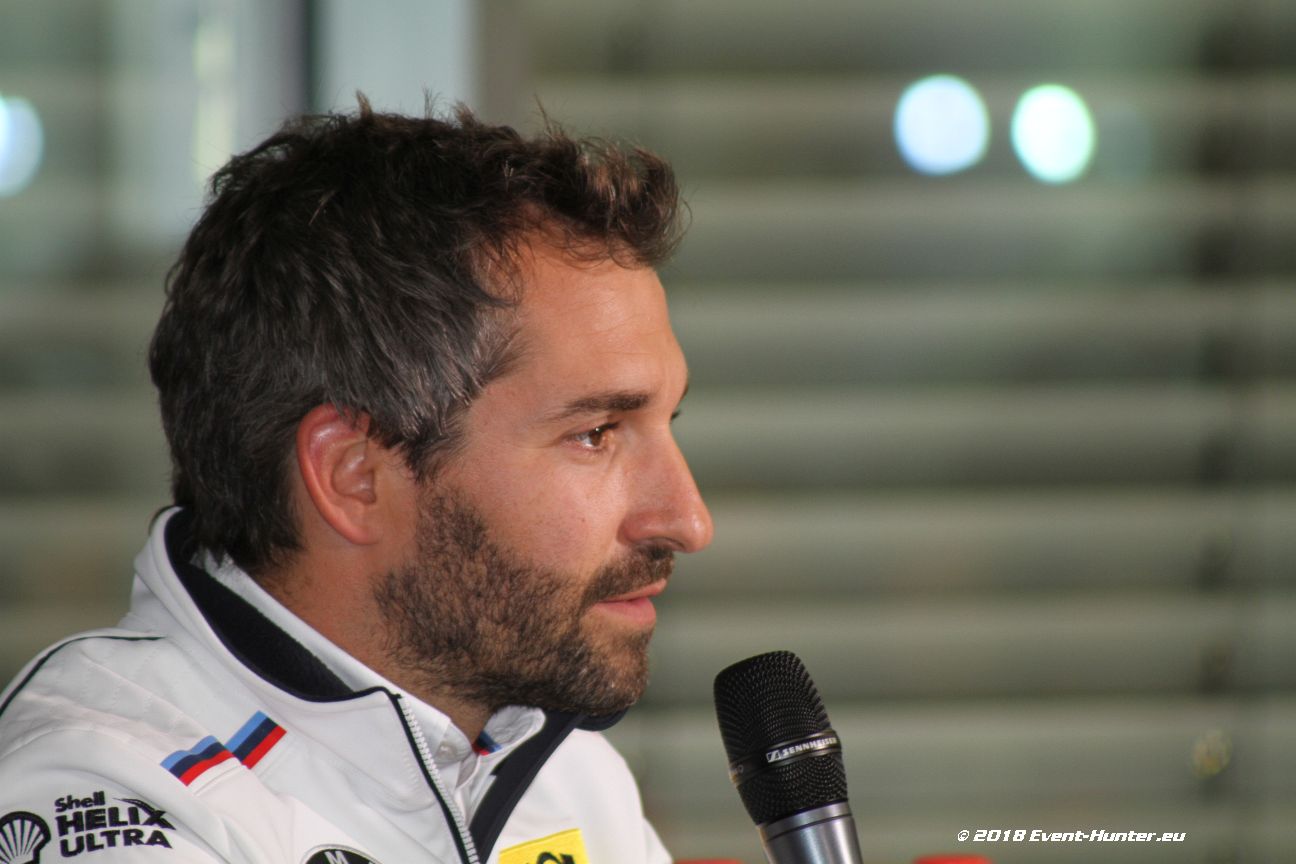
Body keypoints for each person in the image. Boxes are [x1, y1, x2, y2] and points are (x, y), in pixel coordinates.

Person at [0, 100, 713, 864]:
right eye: (596, 433)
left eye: (666, 421)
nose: (688, 520)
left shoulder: (564, 773)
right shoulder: (106, 790)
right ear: (353, 476)